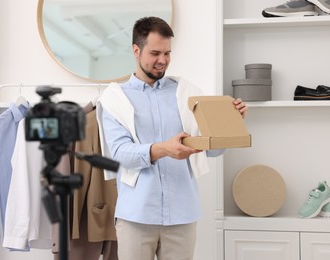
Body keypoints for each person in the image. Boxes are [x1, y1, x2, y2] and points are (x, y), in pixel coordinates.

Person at [96, 16, 247, 260]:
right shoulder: (114, 99)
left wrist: (231, 122)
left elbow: (211, 149)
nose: (163, 60)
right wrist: (165, 149)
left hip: (182, 215)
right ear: (136, 50)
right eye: (155, 53)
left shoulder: (188, 93)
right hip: (137, 215)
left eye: (167, 53)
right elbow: (119, 153)